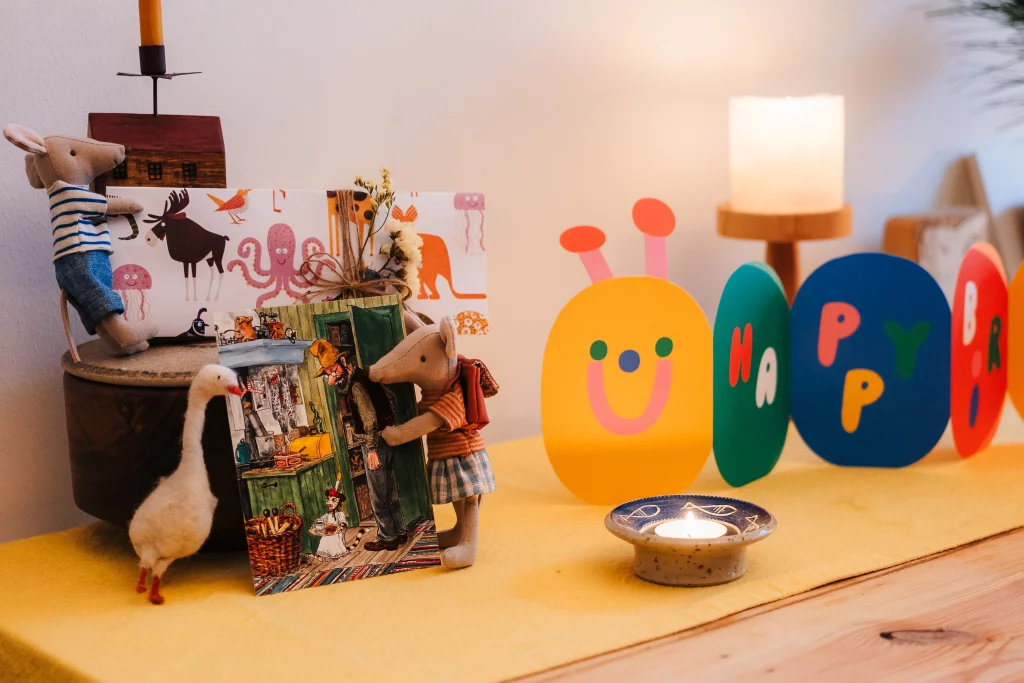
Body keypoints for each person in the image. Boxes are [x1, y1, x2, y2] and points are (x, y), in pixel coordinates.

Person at [309, 339, 409, 552]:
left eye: (331, 370)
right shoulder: (366, 376)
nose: (330, 376)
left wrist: (372, 448)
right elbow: (391, 398)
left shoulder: (356, 385)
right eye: (327, 372)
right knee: (391, 493)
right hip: (387, 437)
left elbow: (370, 419)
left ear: (342, 362)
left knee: (378, 496)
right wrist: (388, 424)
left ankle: (387, 538)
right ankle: (400, 532)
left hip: (374, 442)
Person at [309, 487, 350, 559]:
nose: (330, 503)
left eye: (333, 500)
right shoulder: (327, 515)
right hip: (328, 533)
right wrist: (315, 526)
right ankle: (323, 554)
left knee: (335, 540)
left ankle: (337, 554)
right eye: (328, 500)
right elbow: (321, 520)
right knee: (324, 539)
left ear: (338, 502)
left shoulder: (340, 514)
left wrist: (341, 525)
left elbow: (343, 521)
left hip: (337, 534)